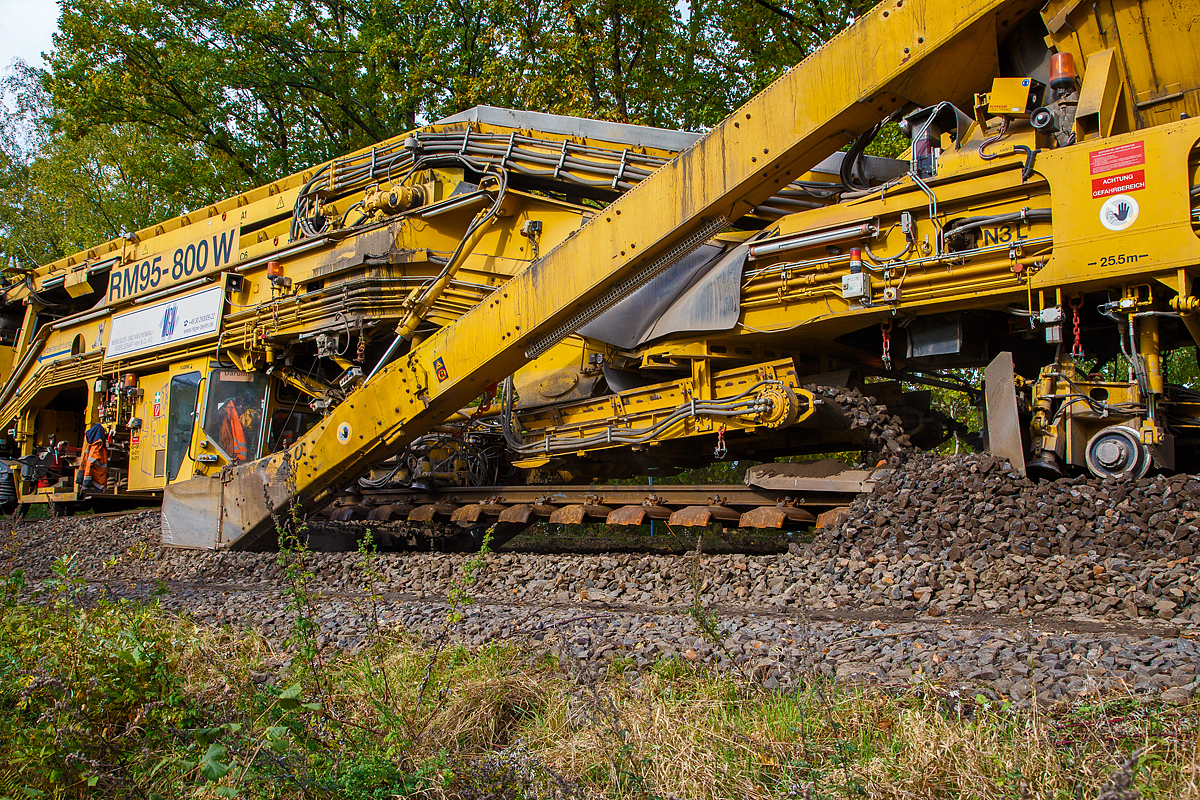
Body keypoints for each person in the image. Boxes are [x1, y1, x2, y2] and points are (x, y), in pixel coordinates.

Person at [79, 423, 109, 492]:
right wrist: (86, 483)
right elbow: (89, 465)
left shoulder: (91, 445)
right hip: (97, 481)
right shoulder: (97, 447)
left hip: (98, 480)